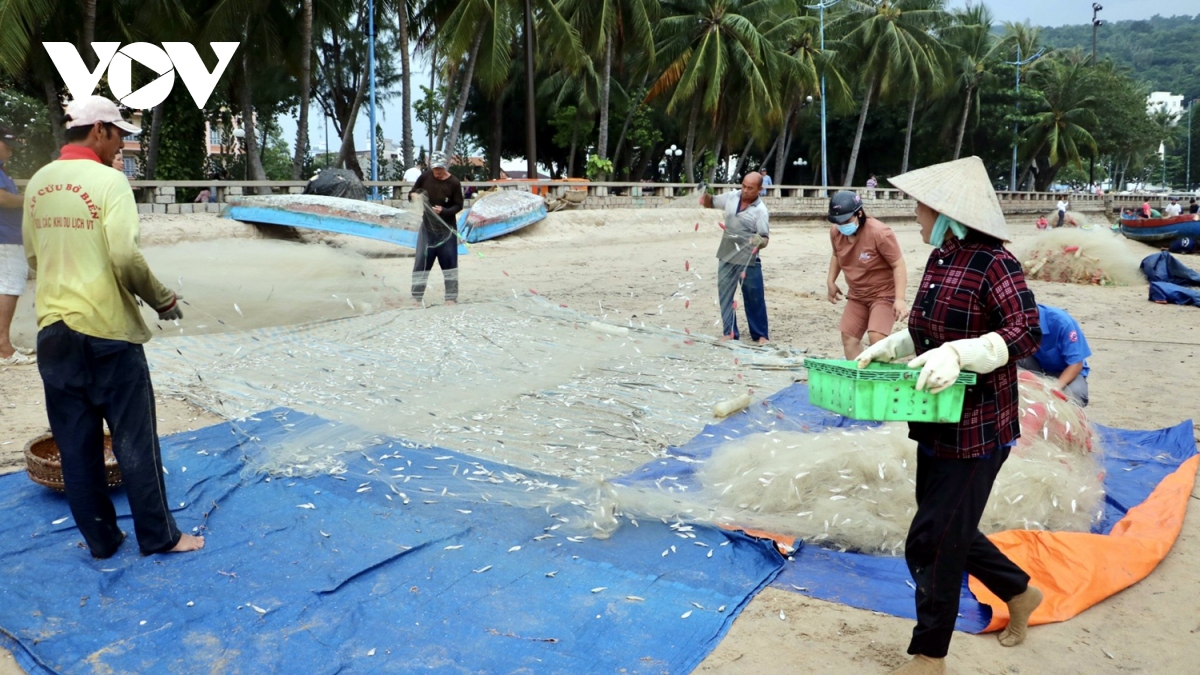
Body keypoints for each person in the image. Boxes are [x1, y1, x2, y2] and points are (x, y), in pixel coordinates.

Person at [857, 156, 1044, 675]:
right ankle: (1020, 592)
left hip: (980, 430)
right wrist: (892, 347)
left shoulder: (996, 264)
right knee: (945, 528)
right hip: (935, 418)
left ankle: (928, 656)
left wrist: (964, 353)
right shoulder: (941, 259)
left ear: (944, 212)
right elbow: (925, 330)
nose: (914, 214)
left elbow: (1026, 331)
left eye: (919, 205)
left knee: (931, 539)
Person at [22, 96, 204, 558]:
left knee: (75, 444)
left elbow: (34, 258)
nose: (122, 141)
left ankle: (102, 541)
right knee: (133, 439)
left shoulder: (39, 183)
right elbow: (125, 256)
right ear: (98, 130)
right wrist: (162, 299)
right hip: (108, 331)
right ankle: (161, 537)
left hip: (54, 332)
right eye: (119, 133)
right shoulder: (109, 182)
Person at [825, 190, 908, 359]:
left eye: (846, 220)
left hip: (883, 293)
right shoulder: (836, 232)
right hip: (857, 294)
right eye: (837, 221)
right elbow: (836, 255)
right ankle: (860, 377)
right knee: (848, 337)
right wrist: (831, 281)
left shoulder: (879, 233)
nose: (842, 225)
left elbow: (898, 264)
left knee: (877, 339)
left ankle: (879, 379)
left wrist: (899, 299)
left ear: (859, 213)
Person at [700, 173, 770, 344]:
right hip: (726, 254)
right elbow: (711, 202)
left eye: (750, 188)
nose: (745, 190)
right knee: (725, 296)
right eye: (744, 186)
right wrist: (702, 193)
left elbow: (765, 238)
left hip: (748, 259)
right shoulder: (731, 197)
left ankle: (760, 335)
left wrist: (757, 241)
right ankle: (730, 332)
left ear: (760, 190)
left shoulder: (761, 211)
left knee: (754, 297)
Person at [409, 152, 463, 305]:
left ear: (445, 167)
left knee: (449, 262)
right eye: (435, 170)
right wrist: (413, 196)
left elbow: (459, 205)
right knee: (422, 262)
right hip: (427, 228)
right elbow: (413, 192)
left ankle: (451, 297)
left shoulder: (454, 183)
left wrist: (444, 211)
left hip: (447, 229)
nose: (437, 174)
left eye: (440, 170)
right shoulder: (425, 177)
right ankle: (416, 296)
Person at [0, 125, 34, 365]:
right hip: (5, 239)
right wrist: (33, 199)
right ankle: (4, 349)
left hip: (8, 238)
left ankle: (4, 342)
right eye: (7, 145)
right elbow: (2, 198)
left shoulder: (2, 170)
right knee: (9, 289)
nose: (10, 151)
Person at [1018, 304, 1091, 406]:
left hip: (1067, 372)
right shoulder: (1015, 321)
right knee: (1007, 356)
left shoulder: (1062, 322)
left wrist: (1055, 387)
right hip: (1038, 368)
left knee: (1075, 395)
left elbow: (1076, 364)